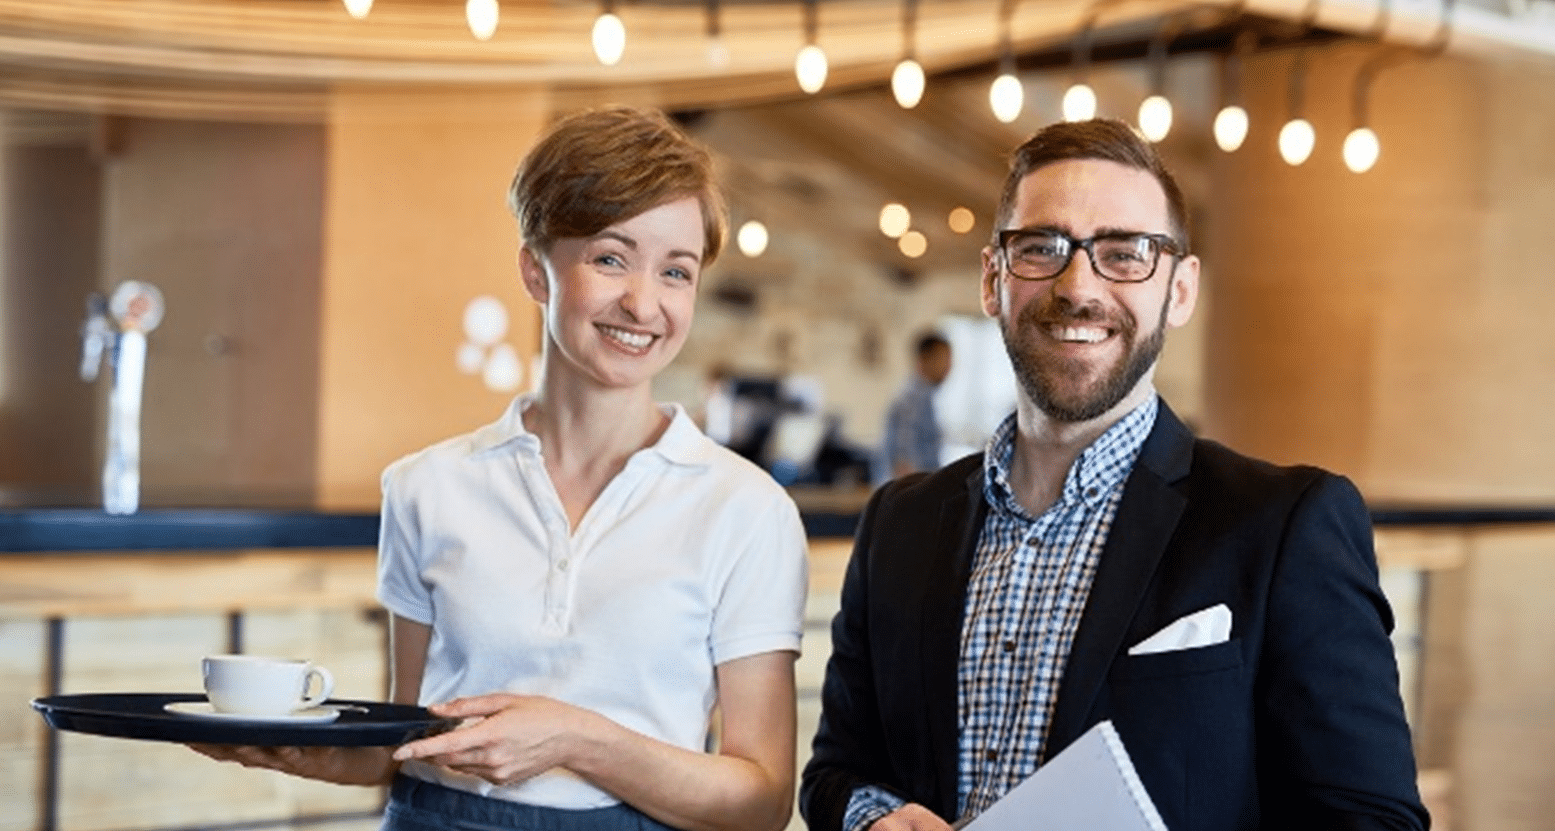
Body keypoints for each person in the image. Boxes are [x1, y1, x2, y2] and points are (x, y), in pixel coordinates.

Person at [800, 118, 1428, 831]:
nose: (1077, 285)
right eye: (1040, 247)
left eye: (1124, 254)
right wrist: (871, 817)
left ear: (1180, 289)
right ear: (990, 278)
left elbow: (1370, 819)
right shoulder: (899, 523)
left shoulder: (1285, 523)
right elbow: (835, 769)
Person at [195, 105, 809, 831]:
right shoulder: (425, 486)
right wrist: (302, 749)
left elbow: (762, 800)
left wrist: (579, 738)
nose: (642, 302)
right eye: (609, 258)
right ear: (536, 269)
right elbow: (412, 737)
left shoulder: (746, 509)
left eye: (674, 271)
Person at [878, 332, 952, 483]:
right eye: (944, 359)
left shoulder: (924, 396)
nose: (949, 367)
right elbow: (905, 464)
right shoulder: (913, 399)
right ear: (924, 359)